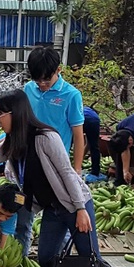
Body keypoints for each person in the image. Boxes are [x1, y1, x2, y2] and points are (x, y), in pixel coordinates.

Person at [0, 90, 102, 267]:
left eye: (0, 114)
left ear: (15, 113)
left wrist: (81, 209)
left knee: (89, 255)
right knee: (46, 257)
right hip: (53, 208)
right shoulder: (12, 143)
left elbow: (67, 172)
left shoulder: (46, 138)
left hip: (74, 203)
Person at [19, 47, 84, 250]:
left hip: (57, 168)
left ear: (58, 70)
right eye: (37, 80)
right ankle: (19, 258)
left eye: (46, 80)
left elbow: (78, 135)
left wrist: (77, 169)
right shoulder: (28, 89)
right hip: (29, 165)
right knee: (22, 216)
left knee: (60, 218)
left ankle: (59, 262)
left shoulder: (71, 95)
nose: (42, 84)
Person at [82, 105, 107, 182]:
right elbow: (89, 144)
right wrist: (80, 158)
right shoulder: (89, 111)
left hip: (82, 119)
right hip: (95, 120)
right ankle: (95, 172)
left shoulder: (77, 109)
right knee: (94, 146)